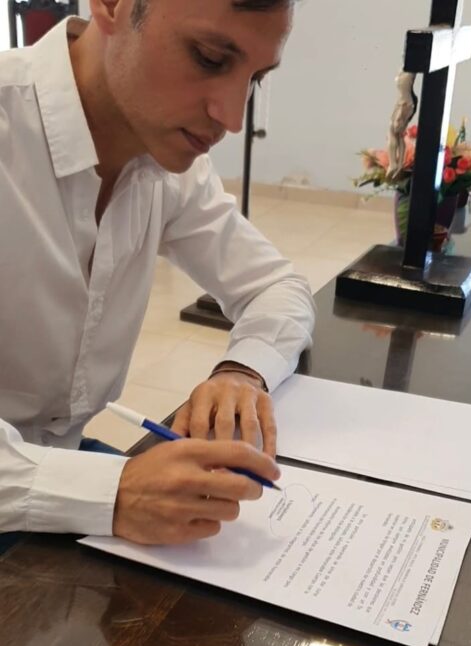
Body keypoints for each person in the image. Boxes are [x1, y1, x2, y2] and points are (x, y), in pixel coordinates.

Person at [0, 0, 314, 547]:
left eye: (255, 79)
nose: (232, 118)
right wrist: (114, 492)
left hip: (56, 474)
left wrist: (241, 373)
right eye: (210, 58)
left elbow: (276, 287)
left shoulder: (163, 162)